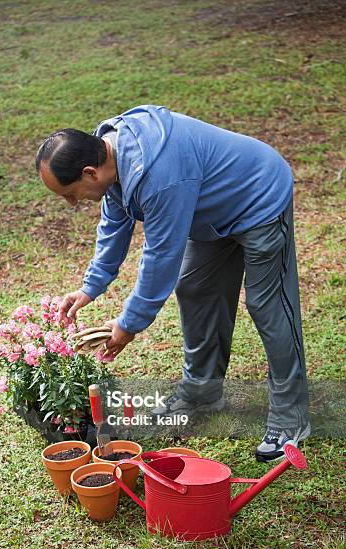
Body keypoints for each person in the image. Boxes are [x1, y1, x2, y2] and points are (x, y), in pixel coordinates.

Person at [35, 104, 310, 461]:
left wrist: (128, 324)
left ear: (89, 172)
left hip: (257, 197)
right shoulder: (111, 157)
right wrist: (90, 287)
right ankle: (203, 393)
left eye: (70, 193)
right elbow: (114, 225)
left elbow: (161, 256)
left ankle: (291, 417)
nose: (73, 203)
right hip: (206, 210)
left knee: (267, 305)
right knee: (196, 287)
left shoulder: (158, 174)